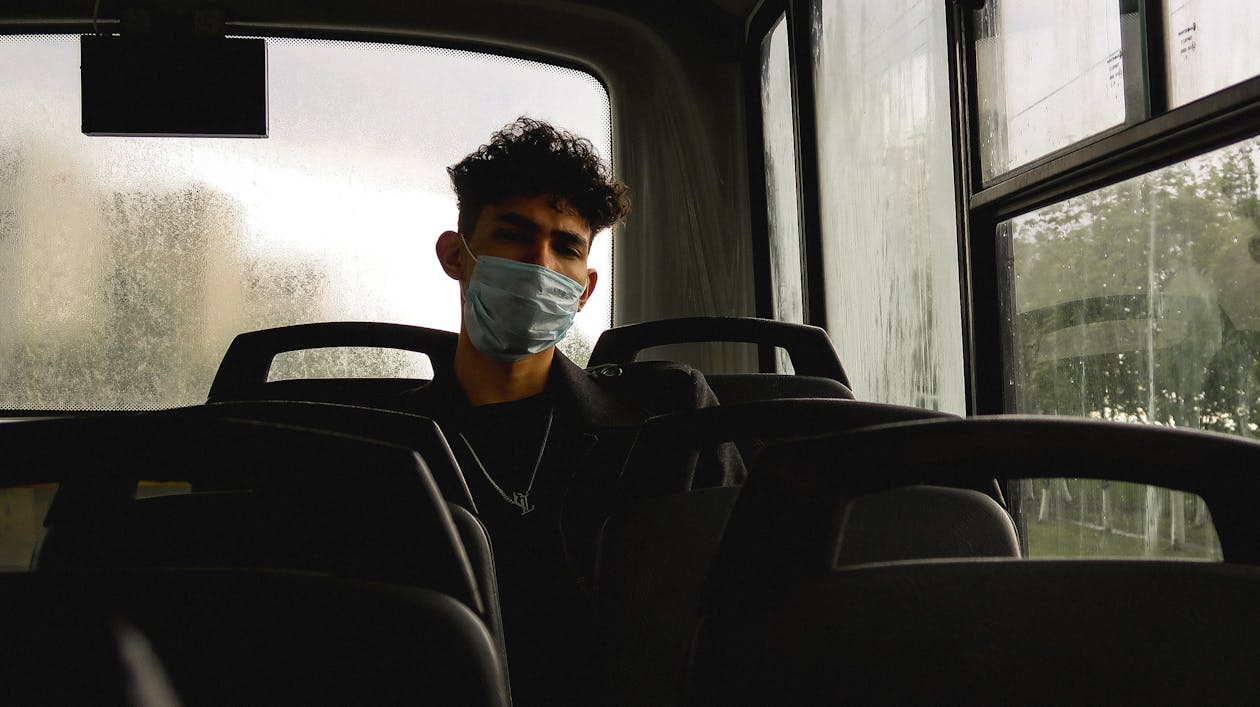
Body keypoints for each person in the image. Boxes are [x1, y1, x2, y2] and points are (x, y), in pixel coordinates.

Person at [400, 117, 742, 704]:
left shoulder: (670, 416)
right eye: (513, 234)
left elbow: (740, 606)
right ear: (455, 254)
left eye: (566, 247)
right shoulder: (390, 445)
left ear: (584, 289)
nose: (540, 265)